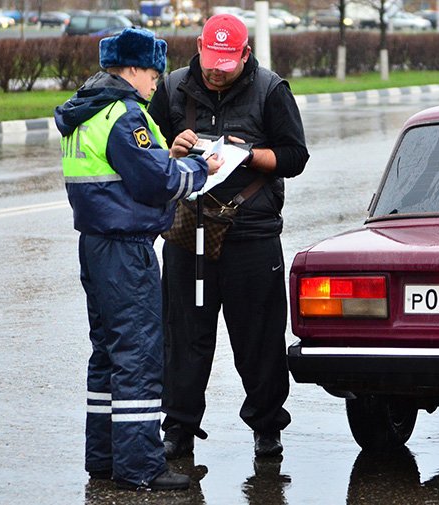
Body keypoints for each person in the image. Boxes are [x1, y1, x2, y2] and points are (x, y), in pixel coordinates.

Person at [54, 27, 222, 491]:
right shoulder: (125, 115)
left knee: (107, 354)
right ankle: (141, 466)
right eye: (152, 72)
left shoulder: (85, 110)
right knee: (138, 355)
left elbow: (122, 174)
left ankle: (104, 458)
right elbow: (158, 182)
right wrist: (197, 169)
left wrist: (167, 160)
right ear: (131, 69)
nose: (156, 82)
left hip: (94, 244)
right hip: (127, 249)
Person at [147, 13, 309, 460]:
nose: (216, 69)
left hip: (251, 235)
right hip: (188, 231)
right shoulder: (173, 86)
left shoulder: (270, 90)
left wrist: (249, 156)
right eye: (210, 59)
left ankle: (266, 427)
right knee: (184, 336)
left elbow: (296, 156)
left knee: (257, 338)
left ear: (245, 55)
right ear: (199, 46)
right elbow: (148, 152)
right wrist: (172, 150)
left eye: (227, 62)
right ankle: (178, 427)